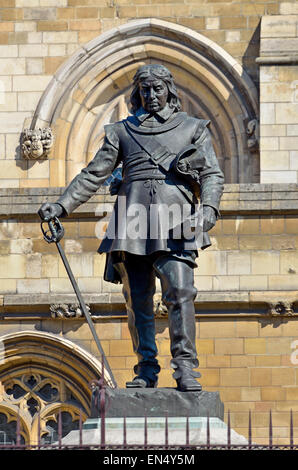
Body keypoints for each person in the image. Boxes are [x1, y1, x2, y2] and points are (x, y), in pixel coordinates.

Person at [38, 64, 224, 392]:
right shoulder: (121, 131)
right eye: (145, 90)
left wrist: (208, 208)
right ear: (137, 94)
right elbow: (93, 174)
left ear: (169, 89)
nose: (151, 96)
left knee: (180, 293)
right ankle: (147, 369)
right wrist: (62, 204)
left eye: (158, 89)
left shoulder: (193, 127)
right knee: (137, 299)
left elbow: (211, 174)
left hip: (177, 218)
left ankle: (184, 366)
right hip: (132, 219)